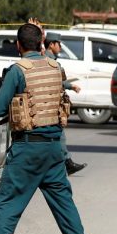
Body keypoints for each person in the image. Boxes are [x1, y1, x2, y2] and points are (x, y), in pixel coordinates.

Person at [0, 23, 92, 234]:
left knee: (8, 199)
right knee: (63, 200)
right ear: (42, 44)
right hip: (54, 148)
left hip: (28, 148)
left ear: (18, 45)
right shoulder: (55, 67)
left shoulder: (17, 70)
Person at [44, 32, 88, 175]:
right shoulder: (49, 61)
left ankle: (63, 163)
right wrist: (70, 86)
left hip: (50, 103)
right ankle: (66, 164)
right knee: (58, 134)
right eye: (59, 44)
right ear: (51, 45)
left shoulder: (50, 60)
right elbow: (56, 81)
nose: (61, 47)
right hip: (49, 104)